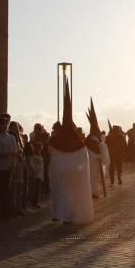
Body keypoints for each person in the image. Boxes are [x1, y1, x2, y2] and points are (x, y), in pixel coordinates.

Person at [48, 83, 94, 224]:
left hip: (62, 173)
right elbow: (84, 159)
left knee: (62, 194)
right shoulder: (78, 142)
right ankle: (69, 215)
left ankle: (63, 215)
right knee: (72, 196)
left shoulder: (56, 141)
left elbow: (52, 157)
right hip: (74, 173)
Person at [25, 142, 44, 210]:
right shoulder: (33, 156)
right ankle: (30, 203)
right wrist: (33, 172)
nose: (40, 150)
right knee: (32, 190)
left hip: (39, 176)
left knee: (37, 190)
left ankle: (35, 203)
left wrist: (42, 176)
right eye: (38, 148)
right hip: (34, 175)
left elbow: (42, 167)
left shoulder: (41, 157)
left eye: (41, 148)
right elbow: (30, 164)